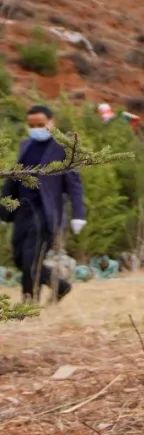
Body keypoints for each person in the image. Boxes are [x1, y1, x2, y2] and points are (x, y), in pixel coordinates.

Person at [1, 105, 86, 302]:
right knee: (19, 258)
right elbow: (14, 179)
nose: (36, 128)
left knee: (32, 258)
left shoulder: (64, 148)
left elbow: (74, 184)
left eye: (40, 124)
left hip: (45, 213)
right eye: (32, 125)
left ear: (51, 122)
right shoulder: (25, 145)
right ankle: (61, 286)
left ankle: (29, 302)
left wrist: (79, 214)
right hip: (22, 211)